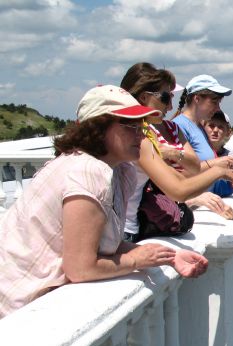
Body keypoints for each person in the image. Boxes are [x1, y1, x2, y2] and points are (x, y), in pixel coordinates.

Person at [0, 86, 208, 319]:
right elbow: (81, 267)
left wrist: (169, 257)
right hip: (16, 309)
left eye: (142, 125)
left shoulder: (119, 172)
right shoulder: (88, 171)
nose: (141, 134)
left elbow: (106, 245)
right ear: (98, 128)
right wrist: (135, 260)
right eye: (131, 126)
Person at [119, 63, 233, 234]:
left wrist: (174, 154)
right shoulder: (140, 137)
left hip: (125, 227)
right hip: (124, 228)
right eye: (165, 98)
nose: (169, 107)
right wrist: (217, 171)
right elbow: (178, 189)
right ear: (145, 97)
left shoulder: (138, 132)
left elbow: (191, 170)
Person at [172, 74, 233, 197]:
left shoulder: (198, 126)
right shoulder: (179, 126)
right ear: (197, 99)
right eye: (214, 102)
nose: (218, 108)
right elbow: (176, 174)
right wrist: (217, 164)